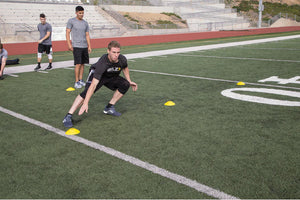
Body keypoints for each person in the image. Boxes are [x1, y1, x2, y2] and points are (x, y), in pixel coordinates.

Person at [63, 41, 138, 128]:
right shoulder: (103, 63)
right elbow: (94, 85)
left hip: (111, 76)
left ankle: (109, 108)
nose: (116, 55)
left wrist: (129, 81)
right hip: (98, 75)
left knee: (125, 84)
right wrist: (86, 103)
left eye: (118, 52)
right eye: (114, 52)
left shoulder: (122, 59)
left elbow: (125, 68)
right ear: (108, 51)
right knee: (86, 93)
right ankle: (68, 116)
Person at [66, 6, 92, 89]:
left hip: (84, 46)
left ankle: (81, 80)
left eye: (83, 13)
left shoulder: (85, 23)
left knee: (83, 64)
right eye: (80, 13)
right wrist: (69, 44)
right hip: (76, 46)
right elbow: (67, 33)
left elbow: (87, 35)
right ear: (76, 13)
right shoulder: (71, 21)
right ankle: (76, 81)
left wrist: (89, 46)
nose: (81, 14)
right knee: (78, 64)